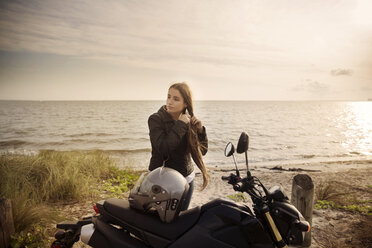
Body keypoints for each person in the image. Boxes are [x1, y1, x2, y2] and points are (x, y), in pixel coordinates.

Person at [148, 82, 209, 210]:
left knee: (180, 221)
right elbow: (164, 148)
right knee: (160, 223)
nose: (170, 102)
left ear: (185, 103)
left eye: (176, 99)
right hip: (162, 181)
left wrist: (200, 131)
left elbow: (202, 151)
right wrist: (181, 124)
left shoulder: (189, 120)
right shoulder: (155, 119)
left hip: (187, 179)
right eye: (169, 96)